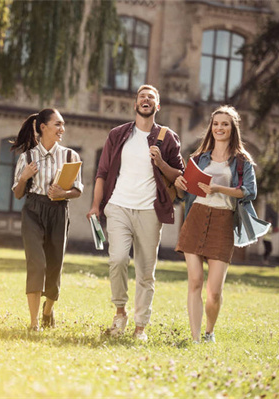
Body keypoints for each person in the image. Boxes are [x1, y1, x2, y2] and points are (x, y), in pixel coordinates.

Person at [87, 85, 183, 341]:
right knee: (117, 259)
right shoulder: (118, 135)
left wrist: (161, 162)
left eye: (151, 97)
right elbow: (103, 173)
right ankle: (120, 312)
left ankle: (140, 326)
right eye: (142, 97)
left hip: (150, 211)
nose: (146, 100)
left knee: (145, 270)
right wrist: (96, 205)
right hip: (118, 205)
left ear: (157, 106)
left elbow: (180, 176)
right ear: (135, 104)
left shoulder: (168, 137)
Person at [174, 105, 257, 343]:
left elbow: (249, 192)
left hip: (223, 222)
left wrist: (218, 188)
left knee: (214, 291)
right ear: (211, 127)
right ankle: (196, 338)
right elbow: (185, 195)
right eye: (216, 123)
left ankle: (209, 331)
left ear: (233, 129)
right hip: (196, 217)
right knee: (195, 282)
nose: (219, 128)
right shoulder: (199, 158)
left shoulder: (242, 162)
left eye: (225, 124)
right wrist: (181, 184)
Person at [11, 108, 83, 331]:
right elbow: (17, 193)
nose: (62, 129)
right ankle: (34, 324)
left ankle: (47, 311)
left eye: (63, 124)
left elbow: (78, 190)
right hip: (33, 210)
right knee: (37, 263)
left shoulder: (71, 156)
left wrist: (64, 193)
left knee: (54, 265)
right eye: (58, 124)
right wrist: (24, 177)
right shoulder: (28, 157)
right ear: (43, 127)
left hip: (59, 211)